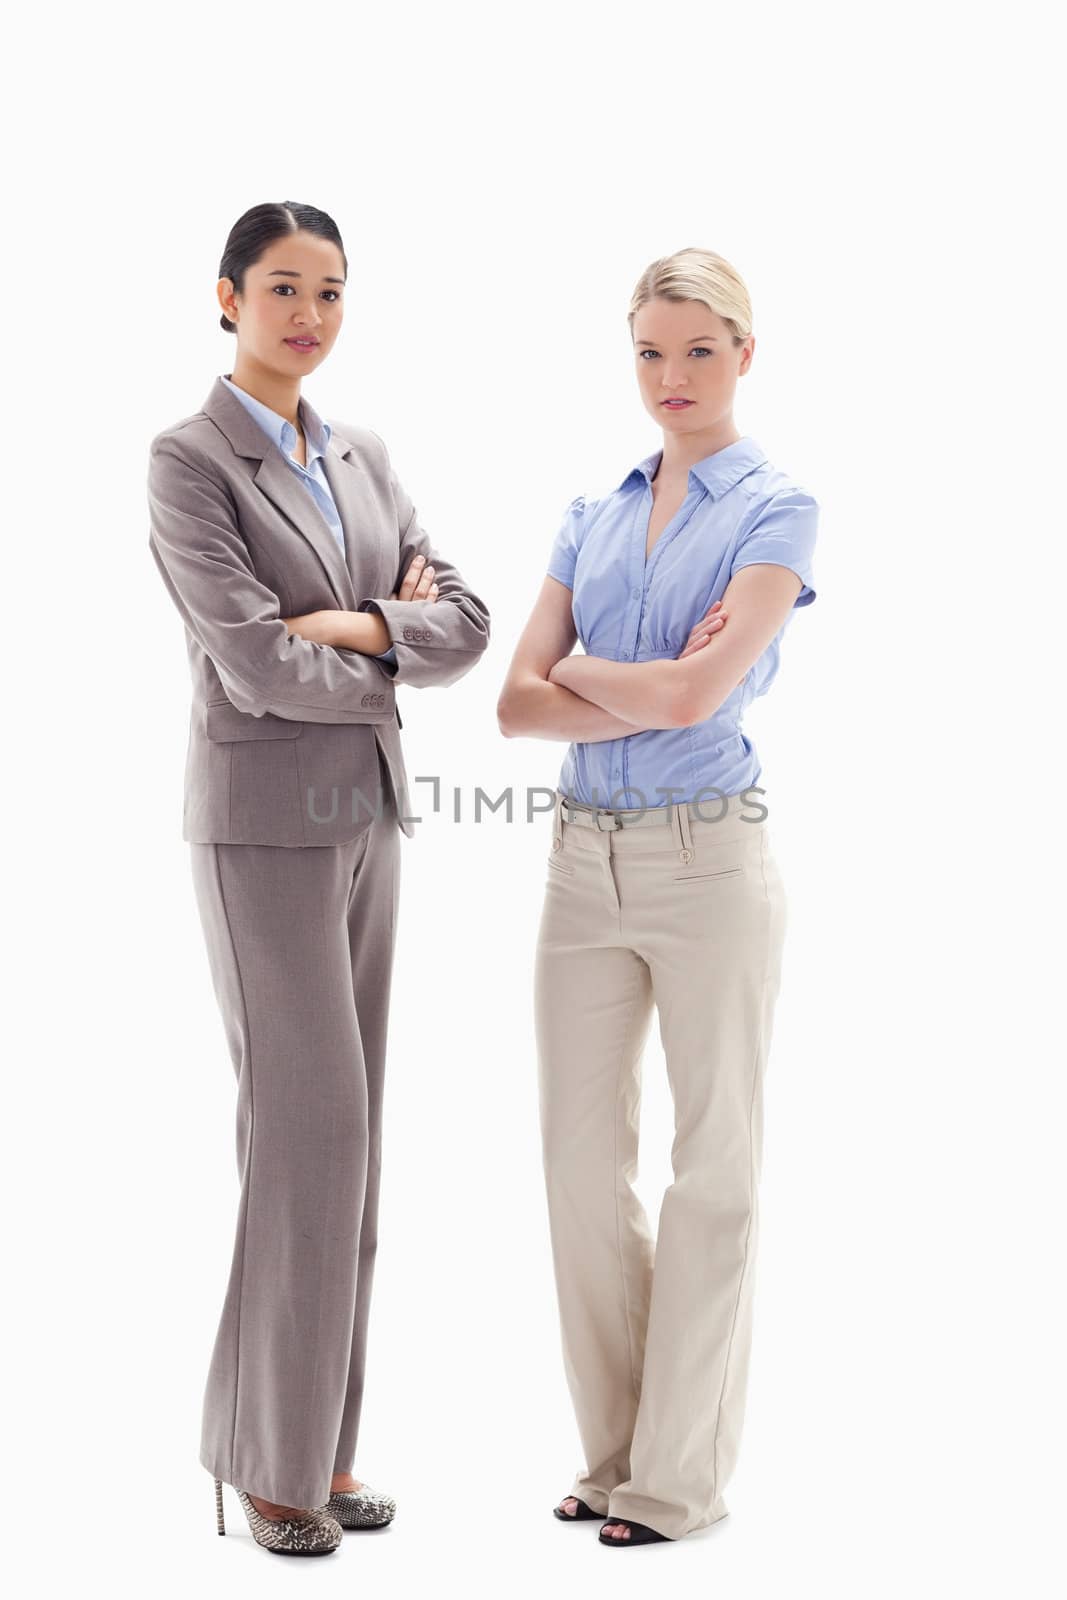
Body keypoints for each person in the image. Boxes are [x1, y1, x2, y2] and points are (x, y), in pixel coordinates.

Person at [147, 200, 490, 1555]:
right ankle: (265, 1467)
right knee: (308, 1142)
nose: (309, 312)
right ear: (226, 297)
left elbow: (461, 621)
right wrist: (385, 649)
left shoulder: (367, 455)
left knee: (355, 1152)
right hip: (260, 828)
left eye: (332, 290)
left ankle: (316, 1452)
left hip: (368, 812)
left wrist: (355, 623)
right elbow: (248, 658)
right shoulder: (189, 462)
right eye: (283, 287)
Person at [497, 246, 818, 1547]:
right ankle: (616, 1453)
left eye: (697, 349)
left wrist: (600, 672)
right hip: (582, 861)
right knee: (581, 1169)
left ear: (745, 353)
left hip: (709, 863)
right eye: (649, 350)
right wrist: (643, 676)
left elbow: (693, 701)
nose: (671, 376)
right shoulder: (591, 506)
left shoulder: (777, 508)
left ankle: (678, 1484)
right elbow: (517, 703)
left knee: (714, 1173)